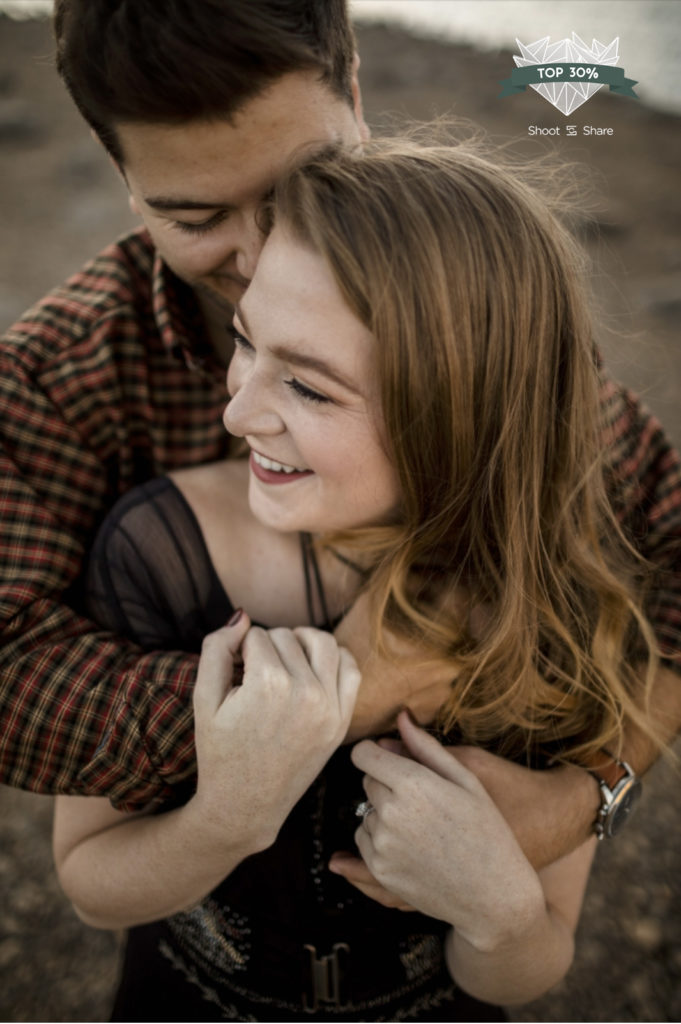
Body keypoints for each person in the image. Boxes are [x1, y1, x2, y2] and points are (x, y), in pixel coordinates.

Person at [1, 0, 680, 867]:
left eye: (302, 183)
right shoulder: (51, 382)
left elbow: (663, 540)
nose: (264, 251)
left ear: (352, 88)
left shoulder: (469, 305)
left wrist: (591, 790)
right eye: (198, 219)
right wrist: (333, 695)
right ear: (116, 165)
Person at [54, 137, 665, 1020]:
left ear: (452, 415)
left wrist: (498, 913)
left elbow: (534, 962)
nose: (236, 409)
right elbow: (90, 883)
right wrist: (224, 818)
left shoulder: (556, 597)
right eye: (243, 340)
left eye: (306, 387)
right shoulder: (156, 547)